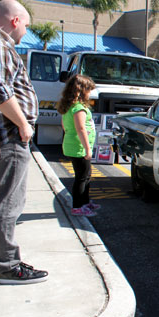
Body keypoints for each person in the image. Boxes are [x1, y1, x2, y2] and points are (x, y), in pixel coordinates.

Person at [0, 0, 48, 284]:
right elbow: (0, 91)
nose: (25, 33)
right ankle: (7, 265)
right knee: (8, 202)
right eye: (26, 26)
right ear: (15, 21)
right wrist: (23, 125)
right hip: (6, 136)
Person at [57, 75, 100, 217]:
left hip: (74, 146)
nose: (90, 93)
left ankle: (85, 202)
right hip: (79, 148)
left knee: (86, 176)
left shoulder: (69, 106)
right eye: (88, 90)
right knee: (82, 178)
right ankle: (77, 207)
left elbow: (65, 126)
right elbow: (81, 129)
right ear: (81, 91)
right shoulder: (79, 109)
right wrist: (87, 148)